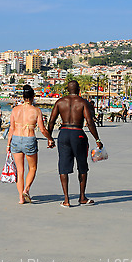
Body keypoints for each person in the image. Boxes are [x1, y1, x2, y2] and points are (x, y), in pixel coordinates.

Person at [47, 80, 103, 208]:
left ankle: (66, 200)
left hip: (64, 134)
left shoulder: (60, 102)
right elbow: (89, 122)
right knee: (82, 166)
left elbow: (51, 121)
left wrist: (50, 138)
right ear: (78, 89)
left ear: (67, 89)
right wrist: (97, 139)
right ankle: (82, 197)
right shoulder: (83, 102)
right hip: (78, 133)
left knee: (63, 166)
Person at [7, 85, 55, 204]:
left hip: (16, 139)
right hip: (29, 139)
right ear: (33, 97)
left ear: (23, 97)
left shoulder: (15, 110)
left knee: (20, 170)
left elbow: (11, 128)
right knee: (32, 168)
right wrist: (50, 139)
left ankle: (21, 198)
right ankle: (26, 189)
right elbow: (42, 129)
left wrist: (8, 144)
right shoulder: (36, 111)